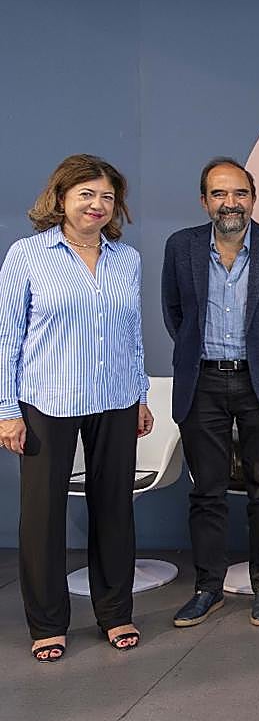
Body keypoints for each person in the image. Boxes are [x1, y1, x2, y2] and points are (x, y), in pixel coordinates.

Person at [0, 154, 153, 662]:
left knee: (114, 511)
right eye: (86, 194)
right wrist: (7, 409)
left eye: (107, 197)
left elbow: (132, 335)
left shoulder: (125, 260)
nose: (97, 205)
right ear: (61, 198)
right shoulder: (27, 255)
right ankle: (47, 622)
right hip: (47, 401)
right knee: (42, 516)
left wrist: (140, 397)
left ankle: (115, 612)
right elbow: (7, 339)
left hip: (115, 400)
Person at [163, 156, 259, 629]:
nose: (231, 203)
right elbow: (175, 313)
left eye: (240, 193)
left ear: (253, 199)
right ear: (204, 200)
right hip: (201, 382)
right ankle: (208, 588)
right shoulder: (180, 247)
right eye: (220, 194)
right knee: (207, 492)